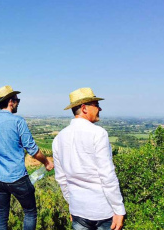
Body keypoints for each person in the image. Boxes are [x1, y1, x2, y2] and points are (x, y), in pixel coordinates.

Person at [0, 85, 54, 230]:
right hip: (17, 177)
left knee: (1, 216)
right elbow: (32, 149)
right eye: (17, 100)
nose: (18, 102)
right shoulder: (18, 121)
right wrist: (46, 162)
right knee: (30, 213)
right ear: (10, 102)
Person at [52, 87, 126, 230]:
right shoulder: (98, 133)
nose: (100, 109)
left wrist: (72, 204)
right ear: (84, 108)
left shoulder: (58, 138)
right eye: (96, 105)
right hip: (102, 210)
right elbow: (107, 175)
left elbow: (61, 178)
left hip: (78, 210)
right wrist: (119, 209)